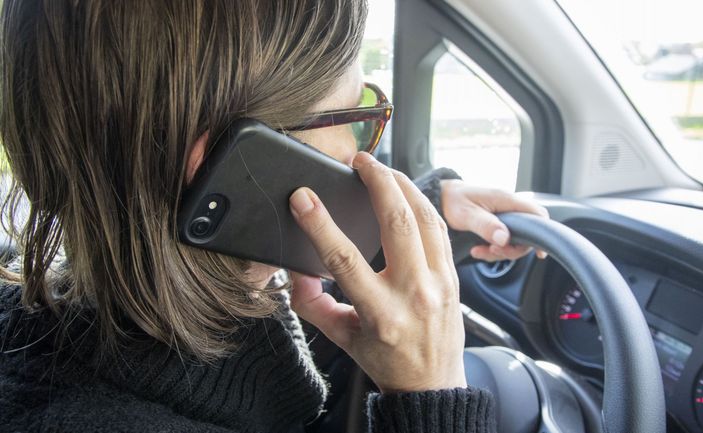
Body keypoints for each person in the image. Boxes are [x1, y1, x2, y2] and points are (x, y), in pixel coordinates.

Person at [0, 1, 548, 432]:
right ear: (225, 165)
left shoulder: (84, 309)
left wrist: (406, 223)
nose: (365, 148)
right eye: (359, 116)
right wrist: (433, 396)